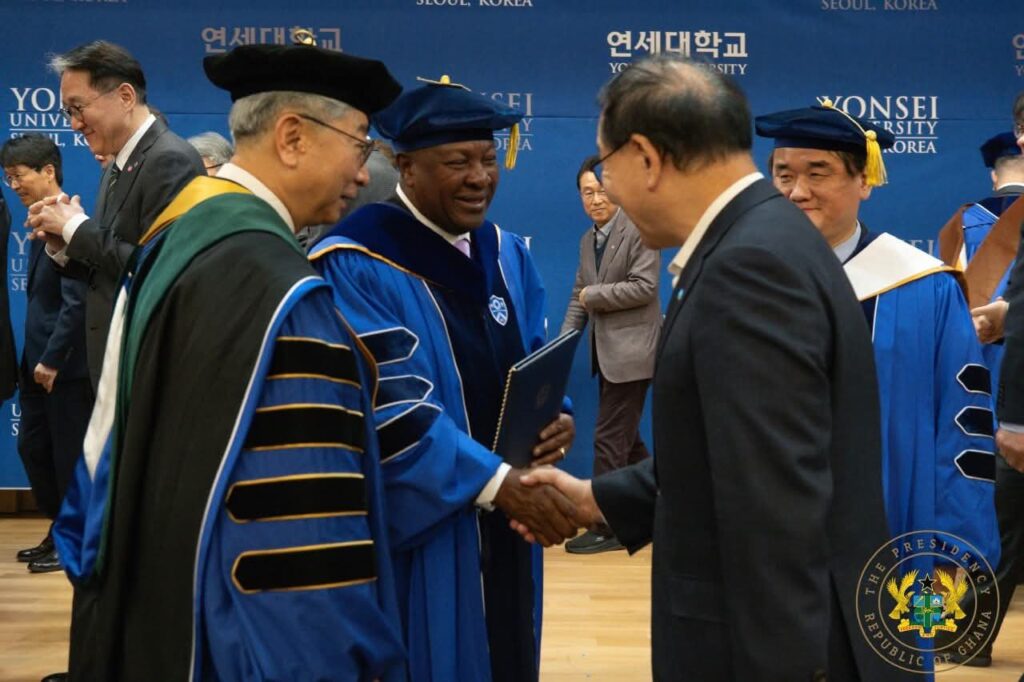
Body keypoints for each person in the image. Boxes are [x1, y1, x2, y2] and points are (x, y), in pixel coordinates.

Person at [511, 55, 903, 681]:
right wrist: (596, 498)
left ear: (646, 157)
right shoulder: (762, 238)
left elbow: (776, 515)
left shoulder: (749, 266)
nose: (607, 189)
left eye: (607, 167)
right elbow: (729, 457)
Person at [50, 42, 407, 681]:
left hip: (155, 591)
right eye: (359, 145)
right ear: (292, 137)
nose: (364, 174)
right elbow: (300, 539)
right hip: (242, 638)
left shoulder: (184, 231)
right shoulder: (277, 288)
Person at [309, 76, 578, 682]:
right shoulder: (358, 262)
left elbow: (532, 359)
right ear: (406, 167)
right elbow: (390, 412)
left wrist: (553, 417)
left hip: (509, 513)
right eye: (457, 162)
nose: (479, 177)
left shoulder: (505, 252)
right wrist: (495, 483)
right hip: (432, 526)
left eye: (487, 159)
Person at [756, 102, 999, 562]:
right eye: (783, 175)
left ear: (864, 181)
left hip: (886, 528)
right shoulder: (747, 280)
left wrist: (956, 545)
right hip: (768, 533)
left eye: (818, 173)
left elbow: (961, 422)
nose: (797, 192)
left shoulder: (923, 288)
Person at [27, 40, 204, 387]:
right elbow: (107, 271)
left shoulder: (170, 159)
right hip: (114, 369)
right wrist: (64, 246)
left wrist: (76, 227)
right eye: (68, 112)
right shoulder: (114, 166)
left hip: (152, 369)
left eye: (78, 108)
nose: (74, 124)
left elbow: (162, 271)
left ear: (125, 96)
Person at [559, 154, 660, 554]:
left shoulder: (639, 229)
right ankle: (660, 510)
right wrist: (561, 346)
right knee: (628, 441)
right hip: (607, 357)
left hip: (634, 354)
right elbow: (577, 297)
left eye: (602, 191)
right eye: (588, 192)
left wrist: (594, 295)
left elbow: (644, 287)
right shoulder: (588, 240)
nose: (596, 199)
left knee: (608, 439)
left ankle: (608, 524)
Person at [1, 135, 91, 574]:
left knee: (67, 458)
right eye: (8, 178)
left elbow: (77, 302)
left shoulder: (68, 223)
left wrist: (53, 359)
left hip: (64, 368)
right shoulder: (39, 221)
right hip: (35, 366)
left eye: (19, 175)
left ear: (48, 171)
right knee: (34, 450)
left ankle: (72, 539)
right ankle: (59, 530)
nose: (13, 185)